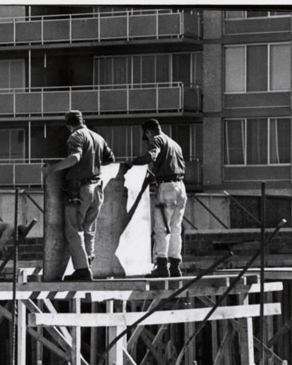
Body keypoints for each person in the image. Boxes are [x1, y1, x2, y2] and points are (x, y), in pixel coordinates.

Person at [44, 110, 115, 281]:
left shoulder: (75, 136)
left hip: (80, 190)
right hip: (97, 189)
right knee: (88, 229)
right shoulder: (98, 137)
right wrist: (92, 162)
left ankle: (82, 269)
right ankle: (88, 263)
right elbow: (110, 158)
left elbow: (75, 157)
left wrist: (52, 169)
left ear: (69, 125)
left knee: (73, 230)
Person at [120, 118, 187, 278]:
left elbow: (152, 155)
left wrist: (133, 163)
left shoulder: (157, 140)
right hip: (181, 188)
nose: (148, 139)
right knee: (175, 228)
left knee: (161, 228)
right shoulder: (174, 144)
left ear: (149, 131)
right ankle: (175, 266)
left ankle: (162, 265)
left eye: (147, 136)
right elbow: (171, 166)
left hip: (166, 188)